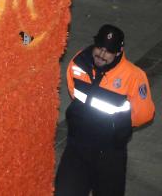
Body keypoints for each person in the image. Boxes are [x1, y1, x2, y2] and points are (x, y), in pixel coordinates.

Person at [54, 24, 155, 196]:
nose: (101, 54)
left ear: (119, 52)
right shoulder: (79, 62)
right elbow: (73, 90)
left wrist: (119, 126)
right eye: (100, 47)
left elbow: (144, 114)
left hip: (110, 153)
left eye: (108, 51)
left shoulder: (134, 76)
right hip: (77, 147)